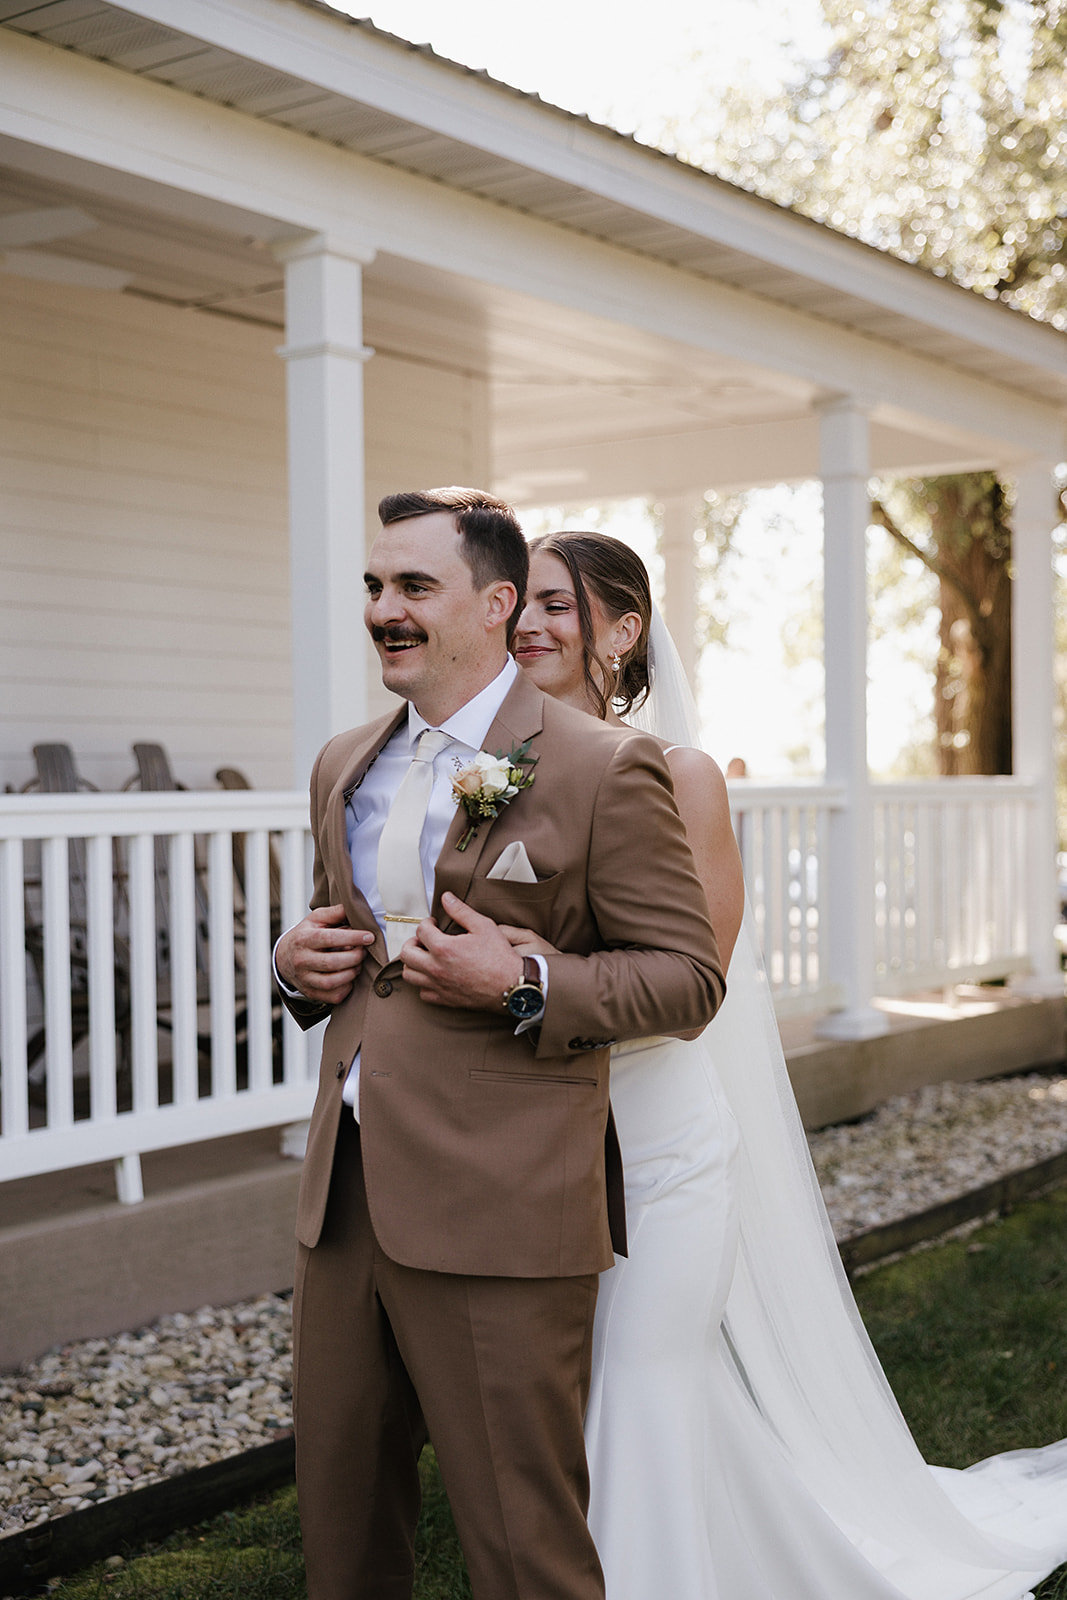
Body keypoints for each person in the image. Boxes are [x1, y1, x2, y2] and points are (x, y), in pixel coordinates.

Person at [500, 528, 1067, 1600]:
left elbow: (693, 990)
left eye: (554, 603)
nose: (524, 620)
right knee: (610, 1401)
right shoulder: (498, 778)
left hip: (660, 1150)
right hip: (546, 1152)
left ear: (621, 633)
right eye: (515, 600)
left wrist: (524, 984)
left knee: (641, 1380)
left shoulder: (678, 775)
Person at [273, 489, 727, 1600]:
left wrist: (519, 977)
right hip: (345, 1204)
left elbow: (687, 977)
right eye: (375, 587)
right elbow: (351, 947)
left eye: (413, 588)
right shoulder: (343, 763)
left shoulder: (600, 767)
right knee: (340, 1529)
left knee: (523, 1547)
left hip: (502, 1206)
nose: (384, 609)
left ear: (494, 604)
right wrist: (292, 968)